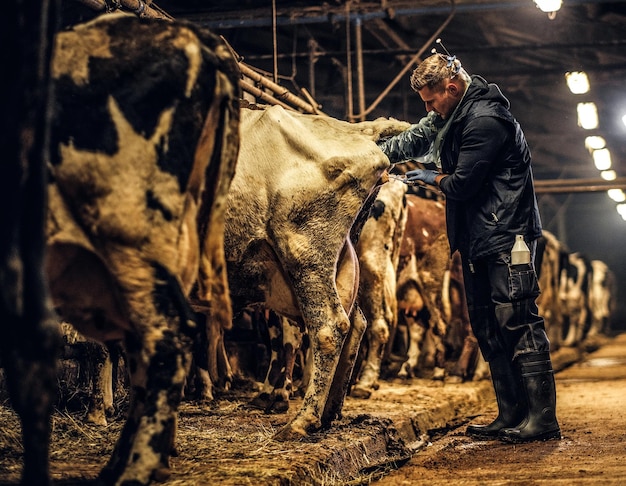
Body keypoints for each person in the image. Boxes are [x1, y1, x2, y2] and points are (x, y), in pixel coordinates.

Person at [378, 47, 561, 443]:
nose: (430, 109)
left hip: (508, 234)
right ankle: (510, 413)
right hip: (480, 236)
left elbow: (462, 183)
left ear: (452, 86)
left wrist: (424, 175)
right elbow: (417, 136)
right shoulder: (452, 115)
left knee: (517, 318)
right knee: (486, 323)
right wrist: (373, 153)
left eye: (432, 100)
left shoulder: (485, 120)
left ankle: (542, 419)